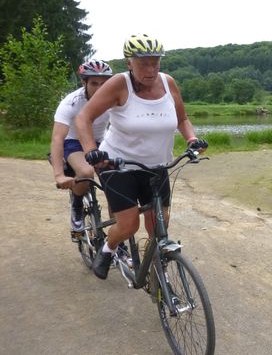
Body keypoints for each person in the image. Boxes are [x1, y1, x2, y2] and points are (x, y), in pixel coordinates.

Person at [75, 34, 208, 280]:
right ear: (129, 63)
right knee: (128, 225)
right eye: (143, 63)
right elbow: (83, 117)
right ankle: (108, 248)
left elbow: (182, 119)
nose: (150, 69)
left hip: (156, 166)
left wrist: (192, 139)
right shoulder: (118, 84)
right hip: (116, 164)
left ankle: (155, 264)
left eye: (155, 62)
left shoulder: (168, 83)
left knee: (159, 224)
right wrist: (90, 150)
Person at [50, 59, 113, 233]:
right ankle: (77, 207)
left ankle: (117, 233)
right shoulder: (71, 102)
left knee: (116, 185)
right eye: (94, 83)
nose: (100, 88)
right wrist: (59, 175)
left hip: (102, 141)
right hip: (73, 142)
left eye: (104, 83)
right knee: (86, 173)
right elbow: (57, 138)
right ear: (84, 82)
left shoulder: (113, 99)